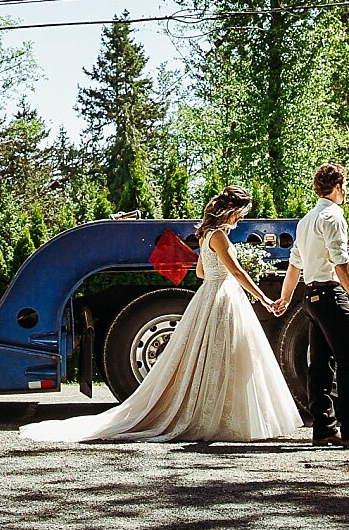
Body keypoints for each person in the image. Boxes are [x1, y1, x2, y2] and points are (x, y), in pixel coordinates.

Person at [20, 186, 302, 444]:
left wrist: (221, 272)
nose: (241, 219)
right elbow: (236, 272)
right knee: (230, 356)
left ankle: (214, 413)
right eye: (241, 213)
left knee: (212, 356)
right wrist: (264, 297)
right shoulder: (220, 237)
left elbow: (202, 272)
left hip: (210, 294)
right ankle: (227, 416)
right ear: (233, 210)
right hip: (225, 296)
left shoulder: (206, 235)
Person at [272, 163, 349, 447]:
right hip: (331, 296)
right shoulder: (333, 217)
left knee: (320, 366)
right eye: (344, 185)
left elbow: (295, 263)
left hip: (310, 298)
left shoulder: (306, 220)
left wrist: (286, 297)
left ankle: (324, 428)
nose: (346, 191)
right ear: (337, 187)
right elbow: (341, 261)